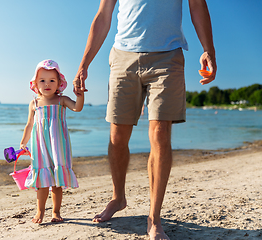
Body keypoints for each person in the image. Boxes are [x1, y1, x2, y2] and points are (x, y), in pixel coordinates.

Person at [73, 0, 216, 239]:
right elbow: (103, 15)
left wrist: (208, 49)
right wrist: (84, 63)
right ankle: (118, 198)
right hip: (122, 57)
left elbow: (198, 5)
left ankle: (154, 217)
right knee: (117, 137)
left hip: (167, 58)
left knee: (160, 135)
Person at [20, 59, 84, 223]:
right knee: (41, 181)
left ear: (59, 83)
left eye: (51, 80)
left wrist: (80, 95)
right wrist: (23, 143)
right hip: (39, 146)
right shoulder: (34, 103)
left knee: (57, 181)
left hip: (58, 146)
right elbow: (29, 125)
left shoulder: (61, 100)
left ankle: (56, 212)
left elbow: (77, 107)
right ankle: (40, 211)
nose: (47, 84)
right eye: (42, 80)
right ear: (36, 83)